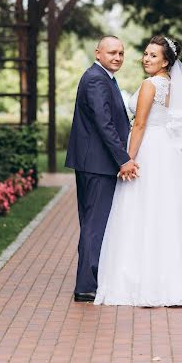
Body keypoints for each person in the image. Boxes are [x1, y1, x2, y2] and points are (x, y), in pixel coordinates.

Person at [94, 35, 182, 306]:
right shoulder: (170, 84)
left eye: (153, 56)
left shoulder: (150, 85)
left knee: (145, 211)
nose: (146, 59)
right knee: (169, 212)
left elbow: (139, 126)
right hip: (166, 151)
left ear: (166, 61)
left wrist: (128, 159)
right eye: (146, 54)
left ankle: (148, 281)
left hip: (149, 149)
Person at [65, 36, 139, 302]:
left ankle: (89, 280)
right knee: (94, 224)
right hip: (97, 164)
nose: (117, 57)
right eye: (112, 52)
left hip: (93, 163)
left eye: (121, 53)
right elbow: (103, 123)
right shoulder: (97, 79)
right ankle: (86, 286)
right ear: (98, 53)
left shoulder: (104, 77)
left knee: (91, 223)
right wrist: (123, 159)